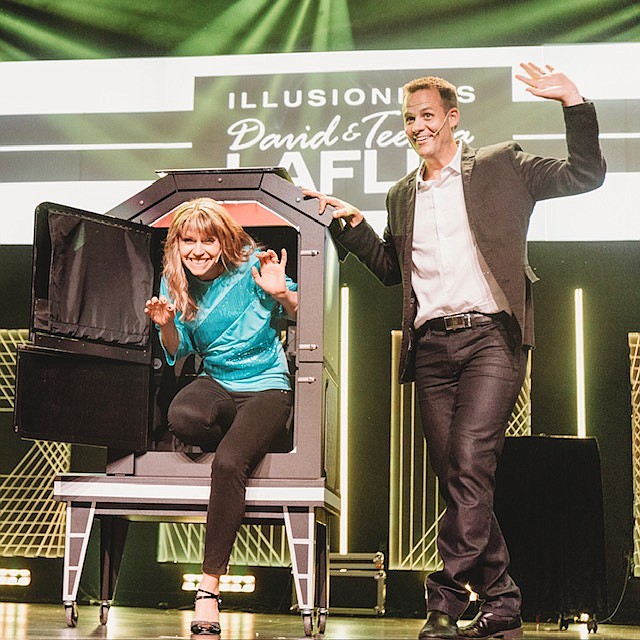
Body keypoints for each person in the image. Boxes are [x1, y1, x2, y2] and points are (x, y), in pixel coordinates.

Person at [304, 62, 606, 640]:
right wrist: (351, 224)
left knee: (470, 462)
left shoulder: (500, 165)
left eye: (427, 116)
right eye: (408, 119)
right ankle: (502, 601)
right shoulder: (401, 195)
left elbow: (585, 174)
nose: (417, 127)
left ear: (451, 118)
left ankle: (442, 599)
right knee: (457, 477)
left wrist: (573, 102)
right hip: (432, 349)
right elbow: (392, 271)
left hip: (490, 338)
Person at [144, 197, 298, 636]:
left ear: (223, 241)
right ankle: (245, 438)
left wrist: (282, 293)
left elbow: (303, 314)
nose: (198, 251)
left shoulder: (254, 266)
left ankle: (208, 590)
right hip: (218, 383)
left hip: (266, 386)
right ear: (177, 245)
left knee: (229, 463)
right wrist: (166, 323)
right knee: (182, 416)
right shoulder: (174, 281)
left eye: (207, 241)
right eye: (188, 241)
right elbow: (179, 350)